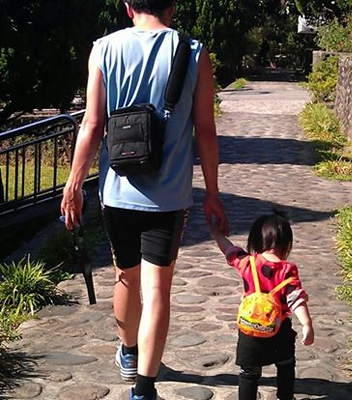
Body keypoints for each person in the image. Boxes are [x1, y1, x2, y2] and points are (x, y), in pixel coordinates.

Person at [60, 1, 228, 399]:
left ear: (128, 6)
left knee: (126, 275)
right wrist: (213, 192)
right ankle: (144, 387)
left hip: (118, 192)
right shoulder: (193, 52)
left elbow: (92, 124)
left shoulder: (104, 48)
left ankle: (129, 353)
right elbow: (205, 130)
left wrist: (74, 184)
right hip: (169, 196)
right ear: (173, 5)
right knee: (156, 290)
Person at [209, 211, 314, 400]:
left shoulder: (247, 263)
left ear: (255, 241)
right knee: (286, 364)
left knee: (248, 373)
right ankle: (285, 397)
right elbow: (296, 299)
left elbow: (229, 250)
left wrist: (217, 234)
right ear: (288, 244)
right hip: (279, 328)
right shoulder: (287, 270)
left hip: (250, 328)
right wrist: (307, 324)